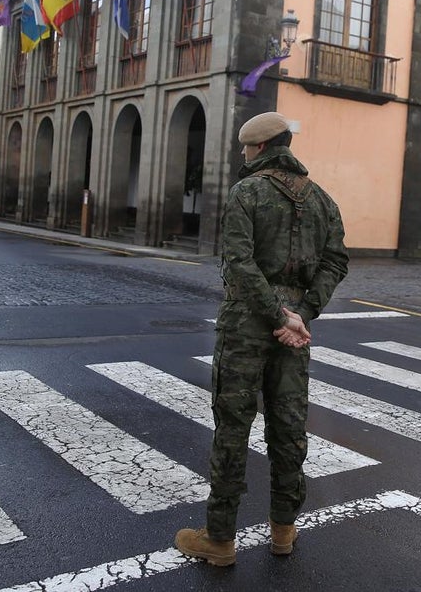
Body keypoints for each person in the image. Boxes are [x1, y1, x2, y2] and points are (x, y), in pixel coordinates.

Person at [175, 111, 349, 567]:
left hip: (246, 327)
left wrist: (275, 315)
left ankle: (219, 539)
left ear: (259, 148)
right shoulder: (323, 200)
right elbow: (336, 263)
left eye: (245, 148)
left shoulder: (245, 192)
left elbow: (239, 262)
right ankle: (283, 531)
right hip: (295, 332)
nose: (243, 154)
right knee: (289, 427)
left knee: (233, 429)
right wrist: (300, 316)